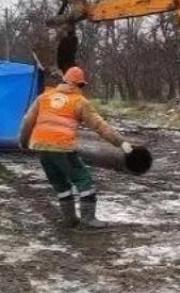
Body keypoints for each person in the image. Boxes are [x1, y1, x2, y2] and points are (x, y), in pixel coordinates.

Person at [19, 66, 132, 229]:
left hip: (41, 146)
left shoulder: (44, 97)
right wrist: (120, 142)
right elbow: (100, 126)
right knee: (83, 179)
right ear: (78, 85)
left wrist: (23, 142)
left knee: (60, 183)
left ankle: (69, 219)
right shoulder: (79, 102)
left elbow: (27, 122)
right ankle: (88, 219)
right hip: (62, 147)